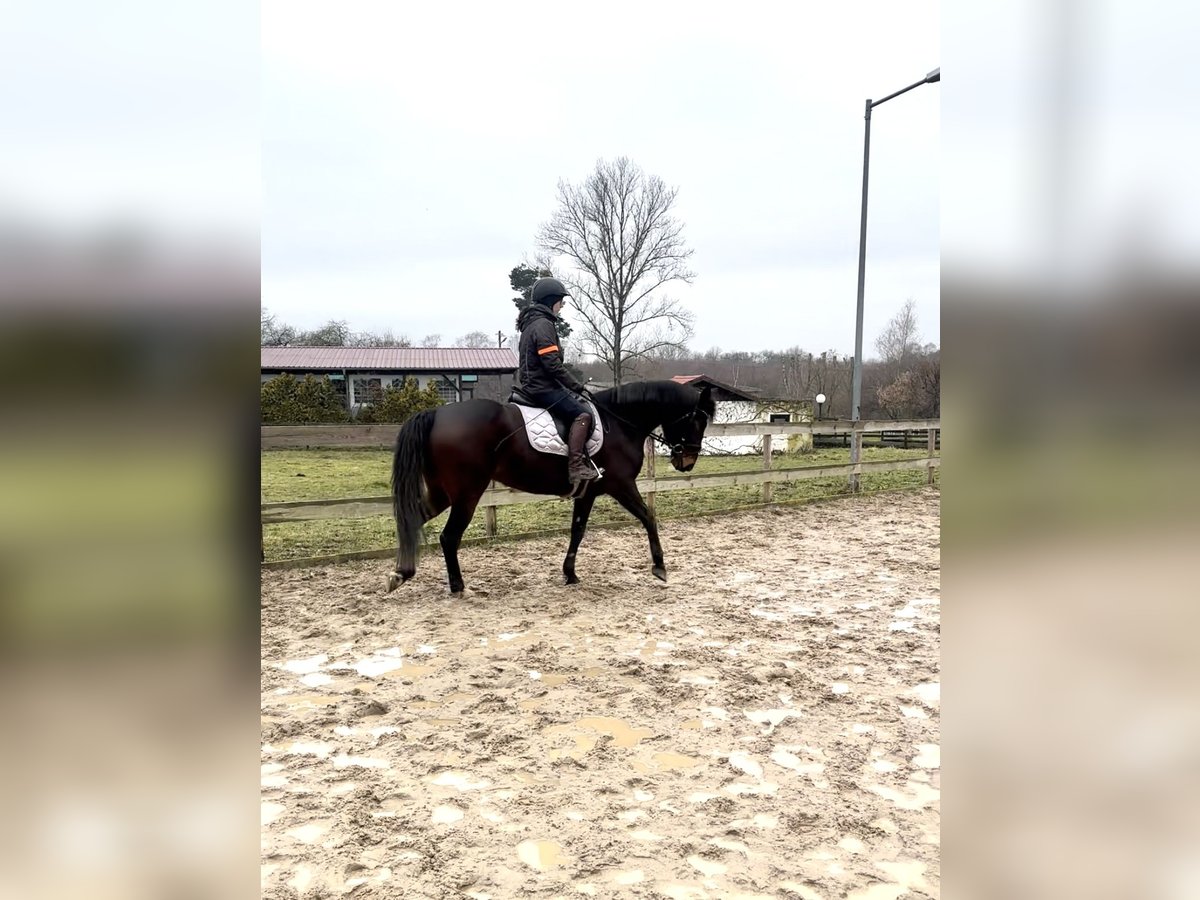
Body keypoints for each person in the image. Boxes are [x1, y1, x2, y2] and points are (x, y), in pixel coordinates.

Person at [515, 277, 598, 489]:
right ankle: (576, 465)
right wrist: (576, 386)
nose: (561, 307)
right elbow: (552, 365)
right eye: (561, 302)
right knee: (583, 414)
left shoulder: (530, 324)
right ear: (551, 300)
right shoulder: (544, 325)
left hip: (531, 384)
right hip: (542, 387)